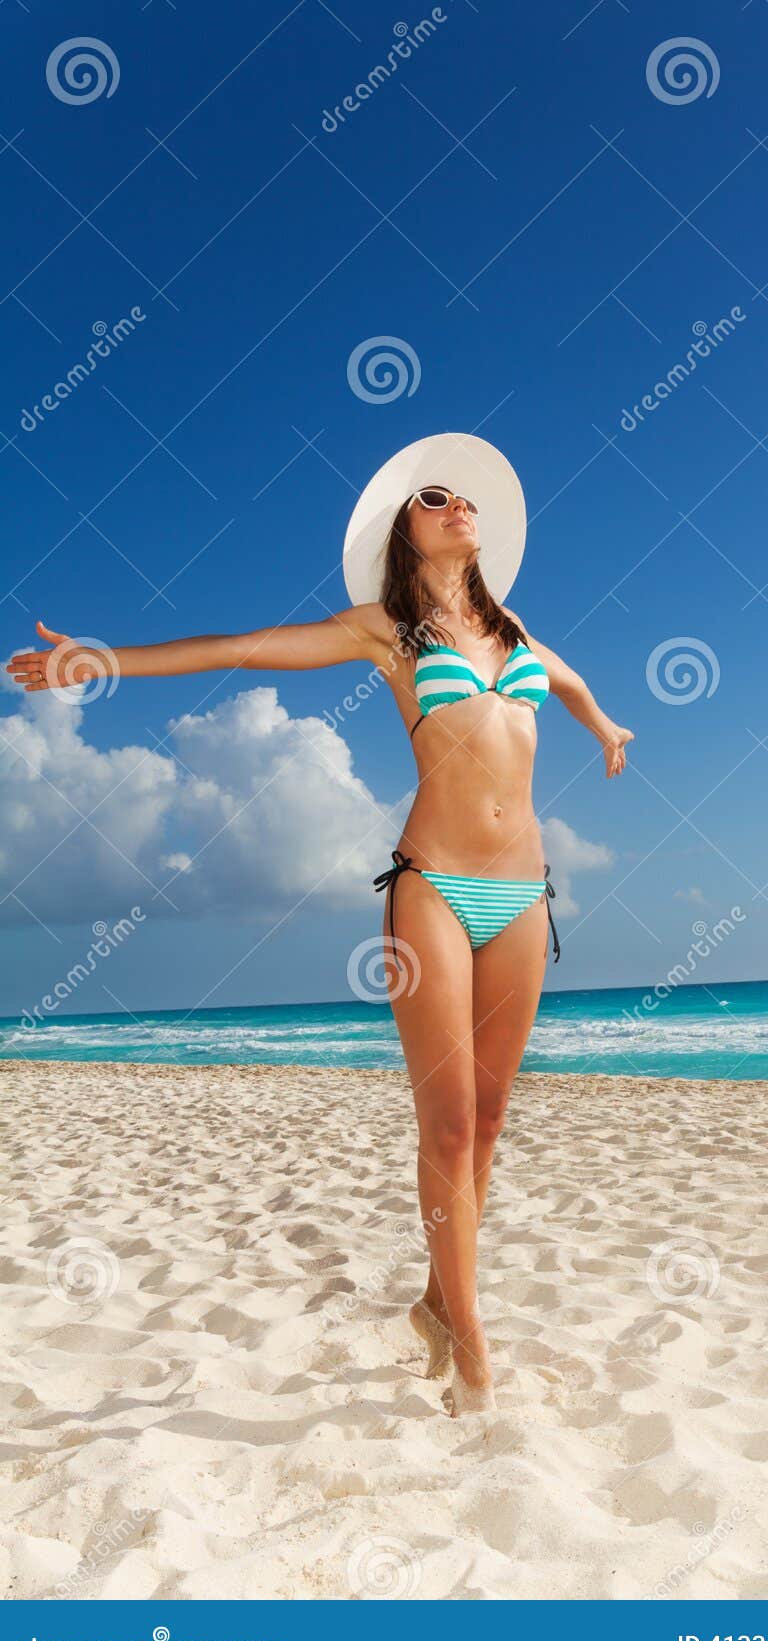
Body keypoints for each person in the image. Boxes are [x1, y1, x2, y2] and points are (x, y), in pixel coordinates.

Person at [6, 432, 633, 1416]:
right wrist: (98, 659)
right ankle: (471, 1344)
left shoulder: (516, 637)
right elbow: (240, 646)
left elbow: (567, 681)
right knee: (450, 1118)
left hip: (522, 894)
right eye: (436, 497)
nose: (458, 504)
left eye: (464, 497)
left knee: (495, 1117)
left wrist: (603, 727)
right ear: (406, 530)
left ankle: (435, 1300)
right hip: (429, 883)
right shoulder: (387, 631)